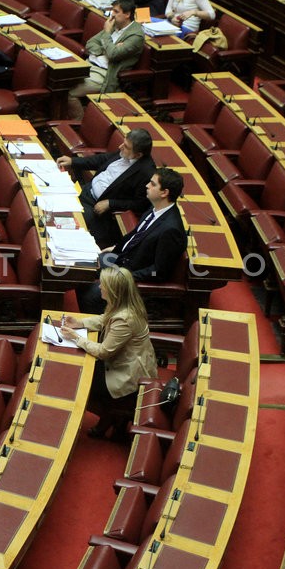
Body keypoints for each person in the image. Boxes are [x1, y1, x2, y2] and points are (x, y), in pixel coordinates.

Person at [61, 267, 157, 439]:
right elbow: (104, 319)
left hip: (127, 375)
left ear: (113, 290)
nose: (99, 288)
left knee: (77, 379)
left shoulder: (124, 318)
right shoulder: (123, 305)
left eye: (103, 285)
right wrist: (80, 323)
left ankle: (108, 417)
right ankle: (112, 419)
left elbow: (104, 352)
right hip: (124, 363)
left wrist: (76, 337)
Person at [76, 167, 187, 313]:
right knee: (79, 270)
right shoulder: (155, 208)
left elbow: (158, 271)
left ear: (164, 193)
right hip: (122, 260)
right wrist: (116, 247)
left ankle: (96, 331)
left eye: (153, 184)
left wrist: (124, 276)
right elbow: (135, 234)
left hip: (132, 274)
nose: (147, 185)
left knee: (90, 296)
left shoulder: (171, 229)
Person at [55, 129, 156, 249]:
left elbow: (141, 204)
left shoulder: (146, 173)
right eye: (123, 143)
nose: (120, 146)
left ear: (138, 155)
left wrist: (110, 203)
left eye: (126, 146)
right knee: (55, 200)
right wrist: (73, 161)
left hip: (95, 208)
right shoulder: (124, 153)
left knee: (63, 223)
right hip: (85, 190)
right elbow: (101, 159)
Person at [67, 0, 144, 120]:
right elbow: (90, 43)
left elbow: (113, 54)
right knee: (61, 82)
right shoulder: (115, 24)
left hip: (104, 74)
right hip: (88, 65)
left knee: (70, 93)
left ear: (127, 14)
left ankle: (79, 124)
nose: (112, 14)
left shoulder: (135, 36)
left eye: (116, 11)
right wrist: (105, 50)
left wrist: (107, 35)